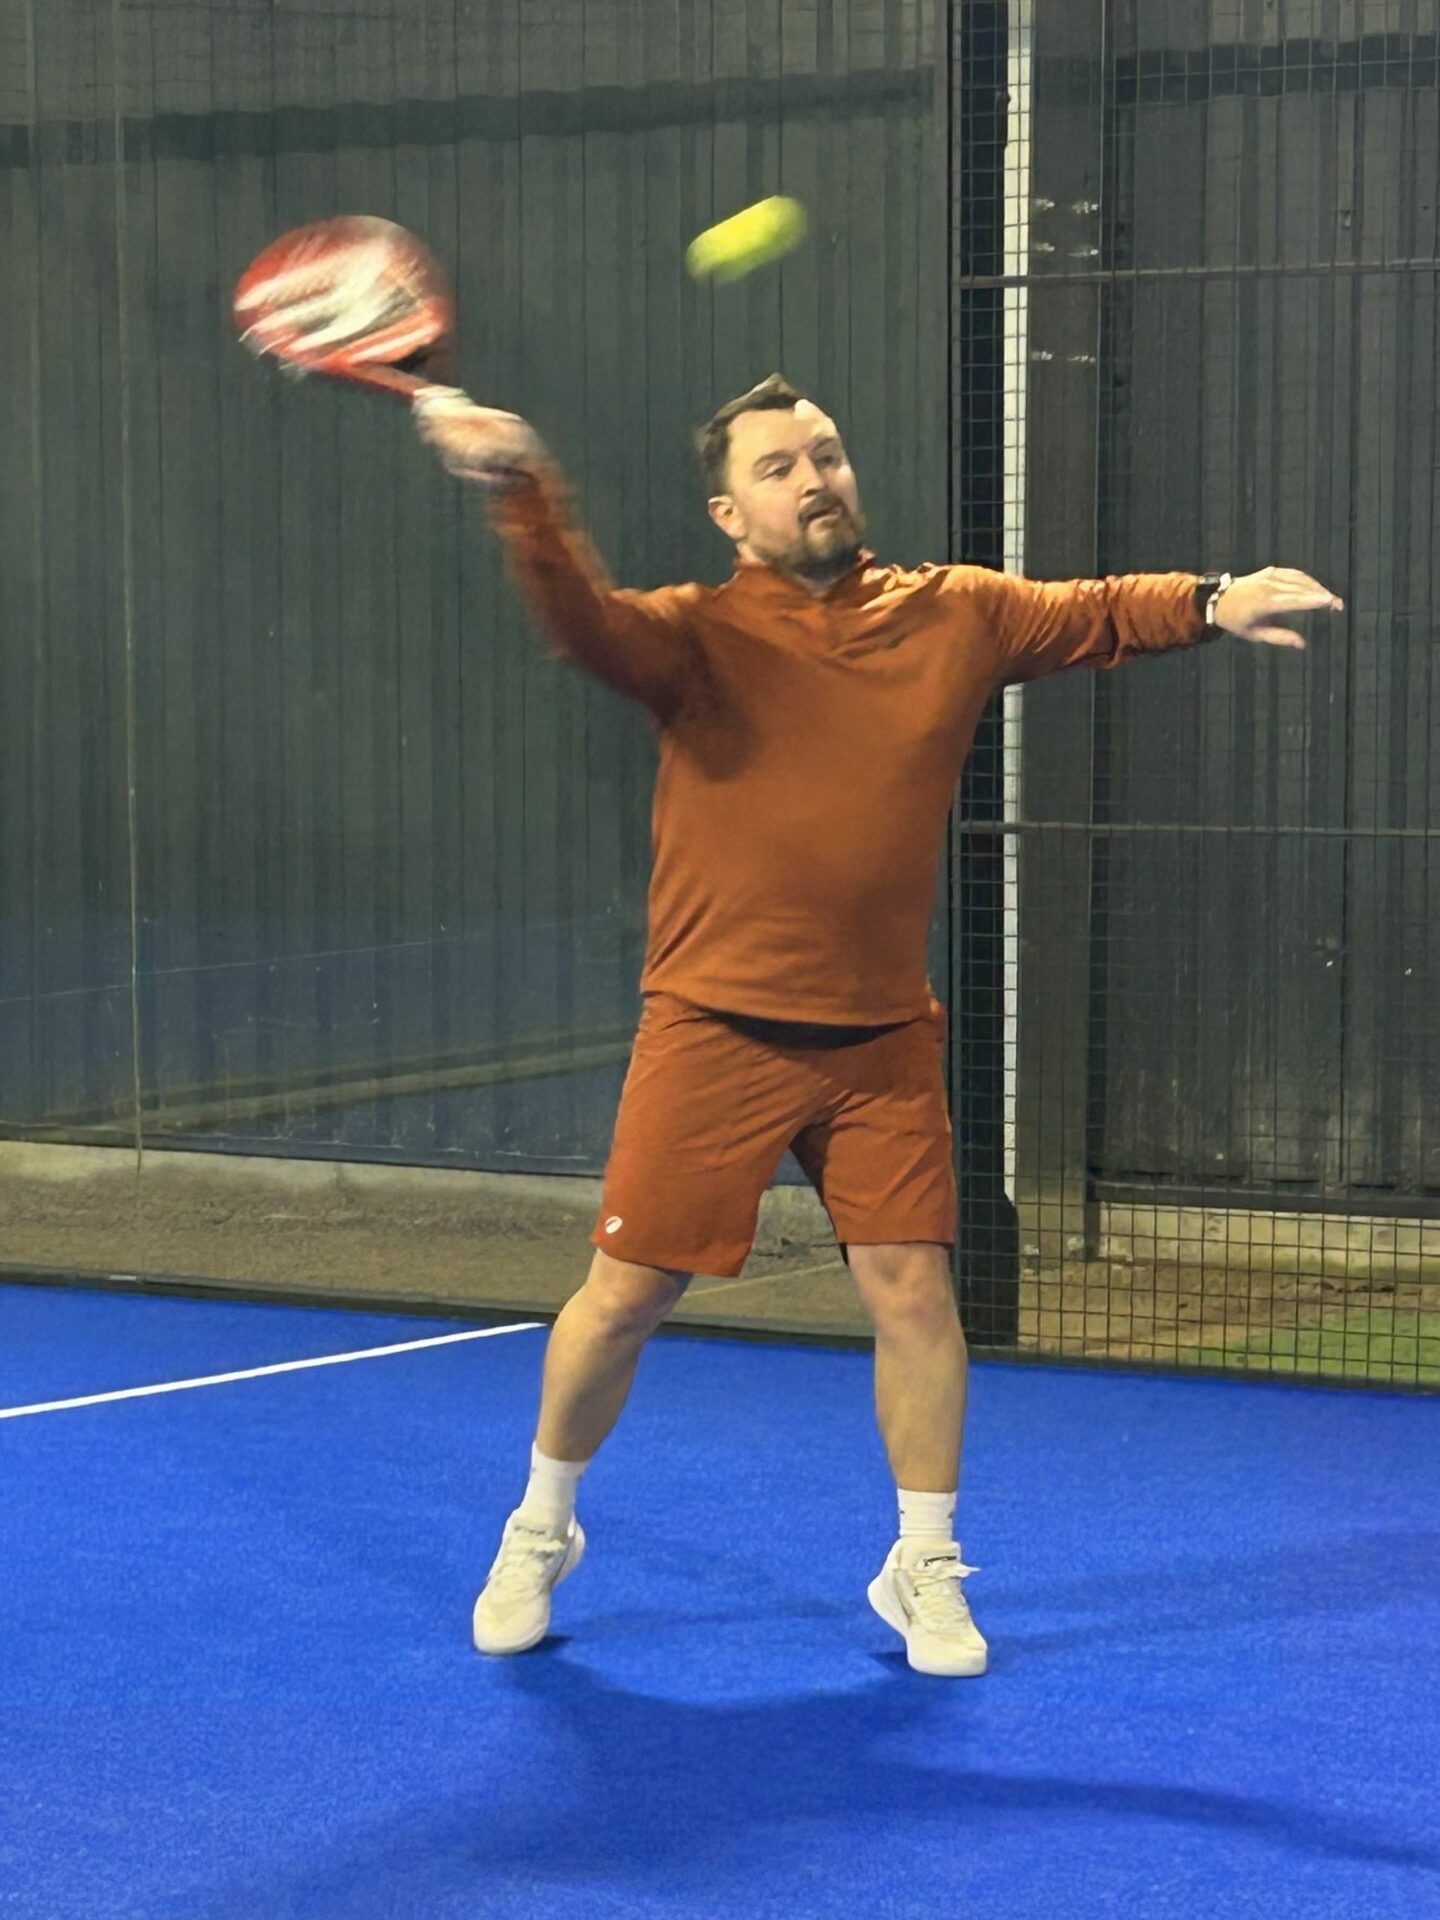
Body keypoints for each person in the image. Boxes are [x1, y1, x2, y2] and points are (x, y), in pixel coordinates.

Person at [414, 372, 1342, 1677]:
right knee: (624, 1297)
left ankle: (923, 1563)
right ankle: (541, 1526)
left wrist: (1212, 599)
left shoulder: (952, 611)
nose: (816, 479)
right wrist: (521, 485)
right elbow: (579, 621)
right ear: (731, 515)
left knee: (913, 1294)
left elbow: (1088, 611)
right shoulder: (690, 638)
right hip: (712, 1029)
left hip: (879, 1042)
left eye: (827, 454)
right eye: (781, 467)